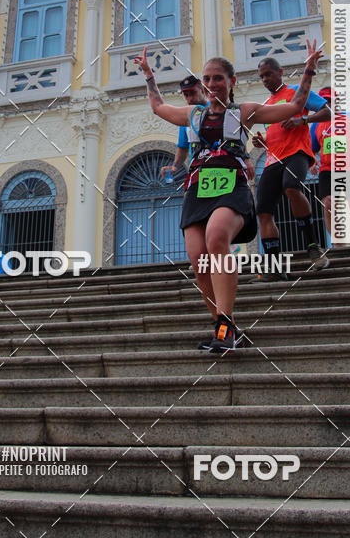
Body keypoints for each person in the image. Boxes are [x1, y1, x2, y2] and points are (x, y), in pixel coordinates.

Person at [134, 39, 324, 352]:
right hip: (197, 189)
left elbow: (292, 107)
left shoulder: (244, 112)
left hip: (231, 187)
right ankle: (225, 326)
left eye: (218, 78)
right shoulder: (193, 115)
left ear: (231, 82)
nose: (211, 84)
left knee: (217, 235)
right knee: (198, 258)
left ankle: (224, 323)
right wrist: (148, 74)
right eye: (206, 79)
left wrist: (308, 71)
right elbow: (157, 107)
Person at [251, 57, 331, 277]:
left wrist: (302, 121)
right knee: (263, 210)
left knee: (291, 187)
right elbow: (275, 135)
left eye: (269, 74)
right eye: (262, 76)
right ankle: (275, 267)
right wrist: (262, 142)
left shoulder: (296, 92)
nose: (265, 79)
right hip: (272, 159)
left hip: (297, 153)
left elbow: (327, 112)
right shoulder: (266, 105)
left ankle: (313, 246)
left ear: (280, 71)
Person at [160, 75, 255, 183]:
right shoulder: (187, 116)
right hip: (200, 173)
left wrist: (246, 158)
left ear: (202, 89)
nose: (190, 99)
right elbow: (183, 147)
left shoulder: (218, 106)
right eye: (186, 95)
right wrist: (175, 167)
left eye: (193, 93)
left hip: (227, 169)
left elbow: (236, 134)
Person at [310, 87, 350, 245]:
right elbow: (311, 148)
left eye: (331, 100)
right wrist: (312, 161)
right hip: (327, 170)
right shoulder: (317, 124)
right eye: (325, 102)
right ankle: (338, 245)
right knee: (330, 205)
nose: (329, 104)